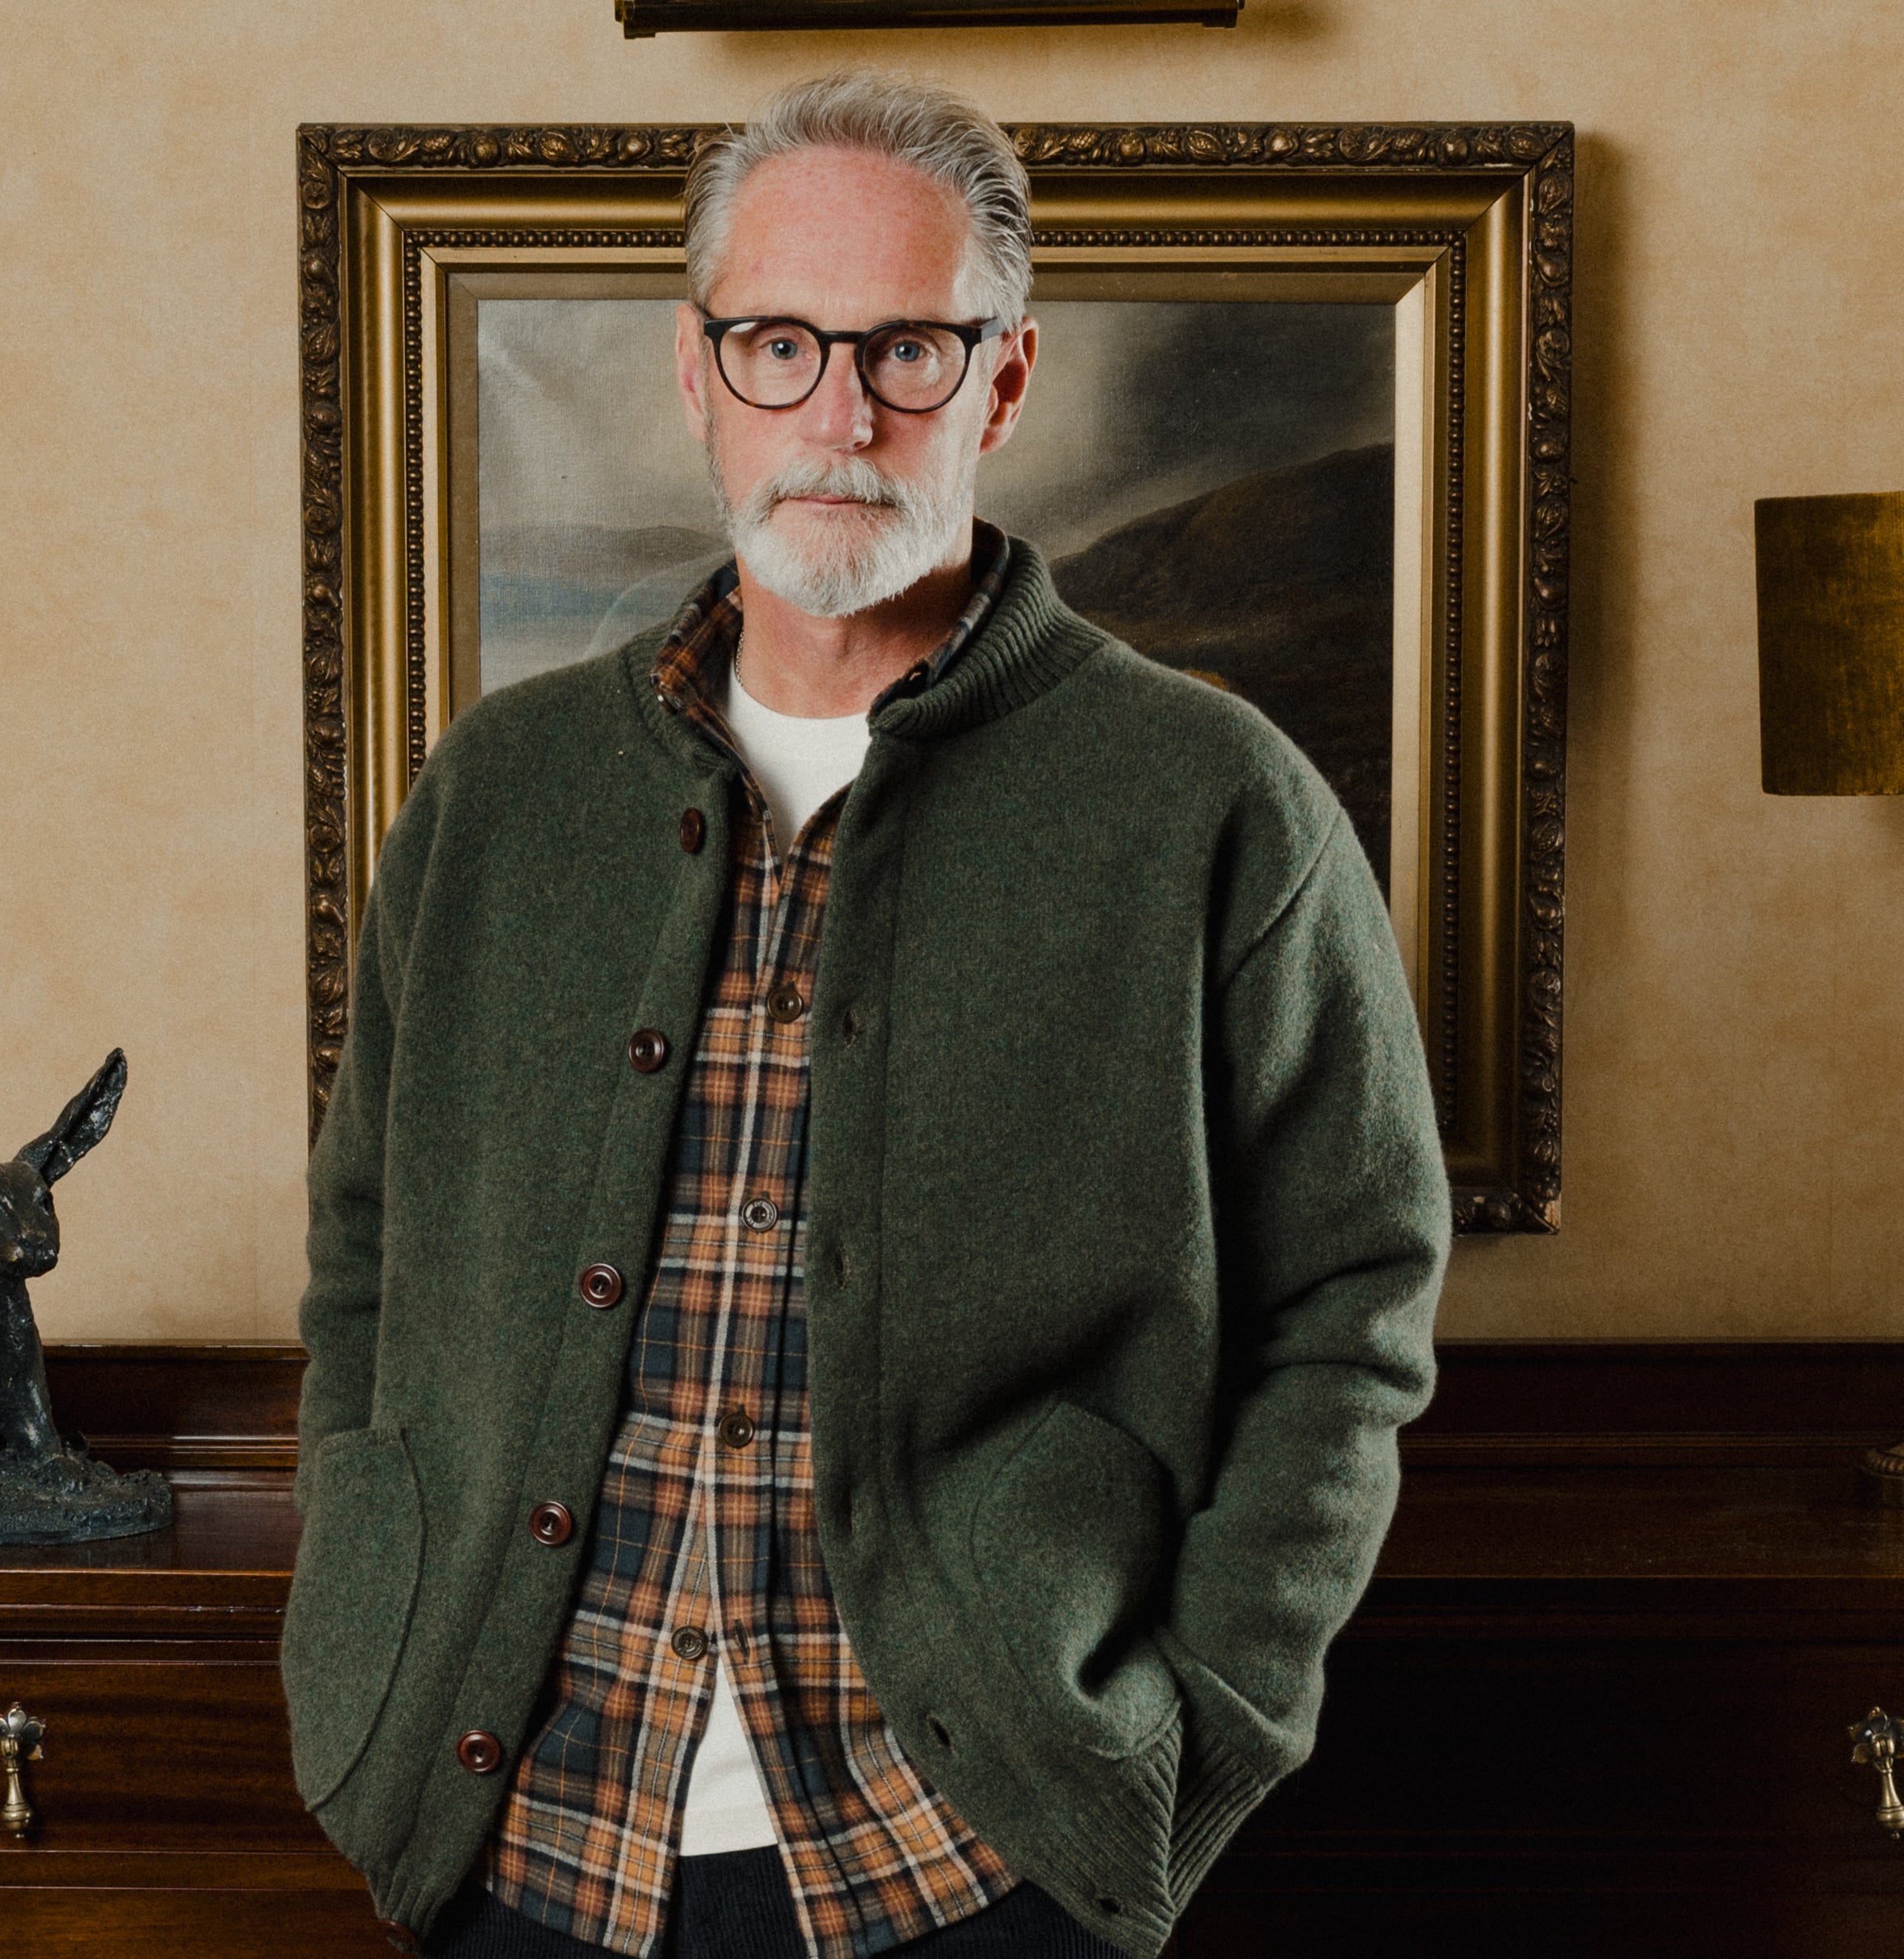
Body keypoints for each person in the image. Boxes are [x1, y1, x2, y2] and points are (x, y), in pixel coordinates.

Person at [283, 68, 1452, 1959]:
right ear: (696, 371)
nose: (839, 415)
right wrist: (361, 1605)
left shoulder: (1214, 801)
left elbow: (1352, 1303)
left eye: (907, 348)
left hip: (980, 1860)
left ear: (1001, 379)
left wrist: (1201, 1727)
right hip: (516, 1832)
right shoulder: (497, 795)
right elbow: (366, 1256)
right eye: (778, 345)